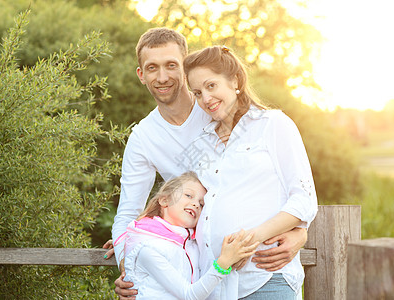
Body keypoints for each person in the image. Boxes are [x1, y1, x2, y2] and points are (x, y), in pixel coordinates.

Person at [105, 28, 309, 299]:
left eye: (171, 65)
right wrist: (130, 267)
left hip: (260, 274)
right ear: (141, 74)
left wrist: (300, 231)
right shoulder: (170, 138)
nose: (163, 76)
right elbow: (133, 213)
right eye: (152, 67)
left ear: (185, 67)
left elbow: (294, 190)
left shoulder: (244, 120)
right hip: (208, 280)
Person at [181, 45, 318, 299]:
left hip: (264, 278)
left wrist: (247, 243)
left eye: (212, 86)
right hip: (215, 284)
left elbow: (304, 199)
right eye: (197, 93)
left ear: (234, 80)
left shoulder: (273, 124)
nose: (205, 99)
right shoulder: (203, 142)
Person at [116, 171, 259, 299]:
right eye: (188, 195)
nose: (196, 204)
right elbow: (189, 295)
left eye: (202, 204)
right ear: (164, 200)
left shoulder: (191, 245)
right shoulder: (148, 248)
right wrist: (224, 262)